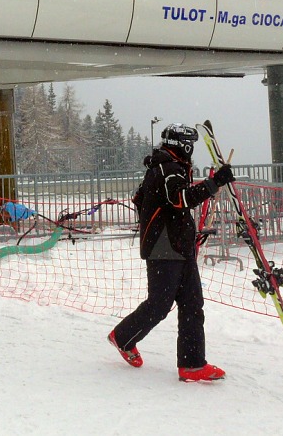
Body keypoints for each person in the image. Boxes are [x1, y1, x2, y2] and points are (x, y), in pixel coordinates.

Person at [107, 123, 235, 382]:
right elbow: (181, 199)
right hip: (164, 248)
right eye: (191, 145)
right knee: (160, 304)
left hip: (177, 244)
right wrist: (214, 183)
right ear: (183, 145)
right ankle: (123, 337)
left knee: (192, 303)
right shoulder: (167, 168)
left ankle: (192, 364)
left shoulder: (165, 166)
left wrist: (178, 226)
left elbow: (143, 199)